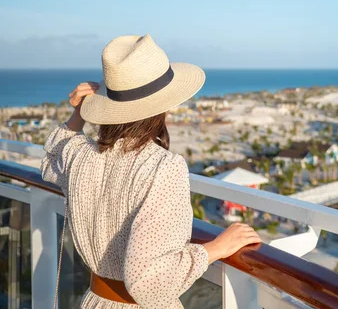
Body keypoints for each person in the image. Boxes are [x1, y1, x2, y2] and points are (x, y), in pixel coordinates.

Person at [41, 34, 261, 308]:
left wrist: (78, 115)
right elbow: (145, 280)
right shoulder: (163, 168)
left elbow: (51, 161)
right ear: (162, 106)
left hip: (95, 300)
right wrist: (215, 249)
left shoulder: (81, 155)